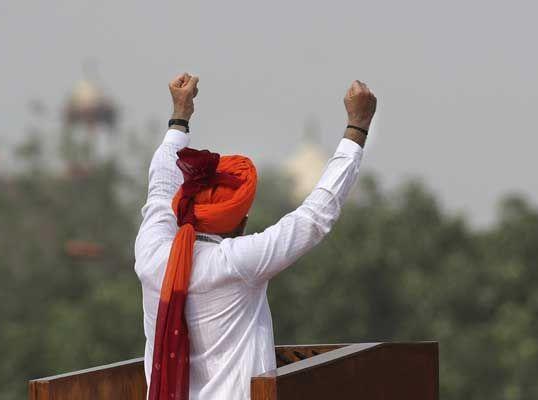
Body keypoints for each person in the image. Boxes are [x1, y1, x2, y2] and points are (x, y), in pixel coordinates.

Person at [134, 73, 377, 400]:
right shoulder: (236, 263)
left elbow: (161, 187)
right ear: (240, 223)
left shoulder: (152, 254)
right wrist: (357, 128)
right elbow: (314, 218)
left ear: (187, 207)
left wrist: (180, 116)